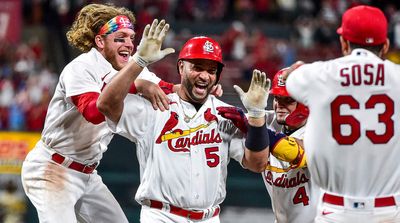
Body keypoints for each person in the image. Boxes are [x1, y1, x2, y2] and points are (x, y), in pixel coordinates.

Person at [20, 4, 175, 223]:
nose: (129, 44)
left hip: (87, 173)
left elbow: (168, 89)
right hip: (52, 168)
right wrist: (136, 83)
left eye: (131, 37)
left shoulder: (130, 67)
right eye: (120, 38)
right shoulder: (81, 67)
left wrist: (205, 90)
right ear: (100, 41)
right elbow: (94, 111)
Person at [97, 35, 275, 222]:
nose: (205, 76)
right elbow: (105, 104)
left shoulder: (226, 113)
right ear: (181, 67)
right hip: (162, 215)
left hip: (210, 217)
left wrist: (256, 115)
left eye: (211, 70)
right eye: (197, 67)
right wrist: (138, 63)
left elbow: (257, 164)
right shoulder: (155, 105)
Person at [285, 5, 400, 222]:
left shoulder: (318, 75)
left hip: (336, 212)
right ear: (385, 46)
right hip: (389, 211)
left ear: (344, 43)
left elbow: (292, 81)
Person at [218, 68, 318, 222]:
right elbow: (219, 120)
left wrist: (254, 126)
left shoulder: (321, 128)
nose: (279, 105)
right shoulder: (269, 120)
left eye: (288, 100)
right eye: (277, 98)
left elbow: (296, 152)